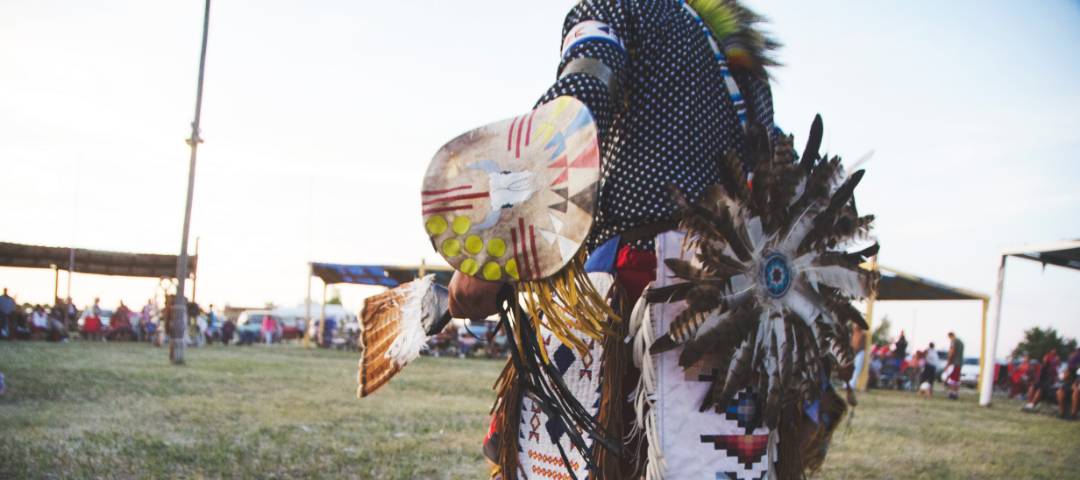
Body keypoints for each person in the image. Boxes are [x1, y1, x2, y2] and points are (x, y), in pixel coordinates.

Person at [431, 1, 866, 477]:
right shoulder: (735, 49)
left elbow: (577, 106)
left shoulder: (617, 7)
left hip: (641, 289)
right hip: (738, 305)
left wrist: (494, 247)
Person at [1057, 347, 1080, 419]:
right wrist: (1066, 373)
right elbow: (1064, 377)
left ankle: (1073, 414)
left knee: (1076, 391)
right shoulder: (1072, 364)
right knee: (1059, 392)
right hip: (1071, 383)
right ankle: (1062, 413)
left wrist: (1076, 383)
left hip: (1077, 385)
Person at [946, 332, 965, 400]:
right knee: (956, 379)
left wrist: (948, 362)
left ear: (950, 336)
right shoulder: (961, 342)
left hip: (954, 363)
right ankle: (956, 393)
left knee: (952, 379)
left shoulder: (954, 341)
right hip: (959, 363)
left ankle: (952, 393)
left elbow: (952, 351)